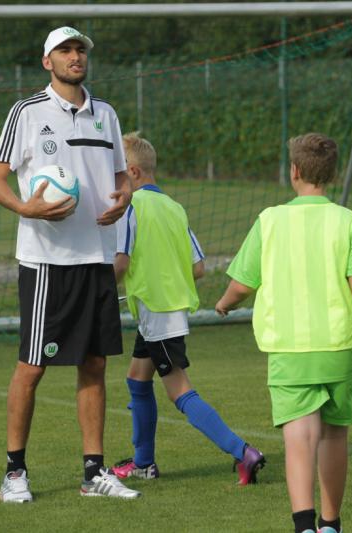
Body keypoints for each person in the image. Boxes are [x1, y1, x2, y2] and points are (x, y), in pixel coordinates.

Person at [0, 26, 140, 503]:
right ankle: (14, 473)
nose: (76, 57)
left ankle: (94, 472)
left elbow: (120, 177)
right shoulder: (27, 112)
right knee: (32, 367)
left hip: (97, 256)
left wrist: (124, 198)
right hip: (48, 262)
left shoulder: (106, 114)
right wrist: (25, 208)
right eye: (65, 50)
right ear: (47, 61)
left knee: (94, 364)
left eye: (80, 50)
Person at [215, 133, 352, 533]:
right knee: (333, 435)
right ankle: (330, 525)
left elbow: (242, 284)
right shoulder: (348, 221)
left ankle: (303, 526)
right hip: (339, 346)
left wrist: (225, 303)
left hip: (289, 347)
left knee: (300, 436)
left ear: (294, 171)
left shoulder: (270, 220)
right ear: (333, 174)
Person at [110, 132, 266, 485]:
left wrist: (96, 292)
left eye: (118, 172)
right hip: (162, 311)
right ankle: (143, 463)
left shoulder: (131, 207)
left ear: (132, 171)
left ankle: (243, 451)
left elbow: (121, 263)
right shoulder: (174, 208)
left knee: (178, 390)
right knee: (137, 378)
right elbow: (198, 268)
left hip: (157, 312)